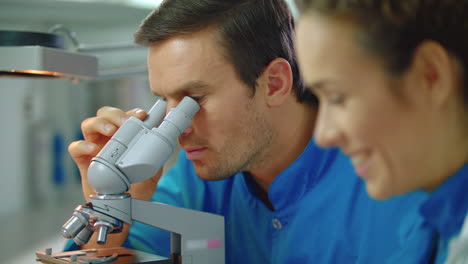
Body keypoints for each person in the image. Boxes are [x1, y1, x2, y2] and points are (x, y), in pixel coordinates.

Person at [65, 0, 435, 263]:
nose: (178, 129)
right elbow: (110, 257)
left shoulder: (390, 180)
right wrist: (110, 206)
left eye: (193, 98)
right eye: (165, 102)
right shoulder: (199, 179)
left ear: (274, 83)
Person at [294, 0, 468, 263]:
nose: (323, 134)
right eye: (318, 100)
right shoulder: (436, 230)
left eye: (337, 97)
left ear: (430, 75)